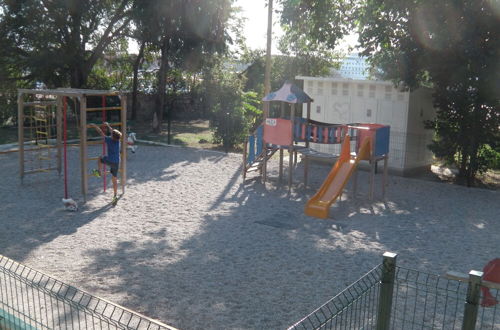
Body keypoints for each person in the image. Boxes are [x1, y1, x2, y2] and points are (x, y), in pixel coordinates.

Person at [89, 122, 122, 204]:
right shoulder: (118, 141)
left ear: (112, 136)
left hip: (110, 160)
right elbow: (113, 132)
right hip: (117, 162)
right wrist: (108, 126)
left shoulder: (108, 140)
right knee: (114, 179)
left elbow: (100, 132)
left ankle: (99, 172)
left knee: (100, 158)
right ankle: (115, 196)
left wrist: (94, 126)